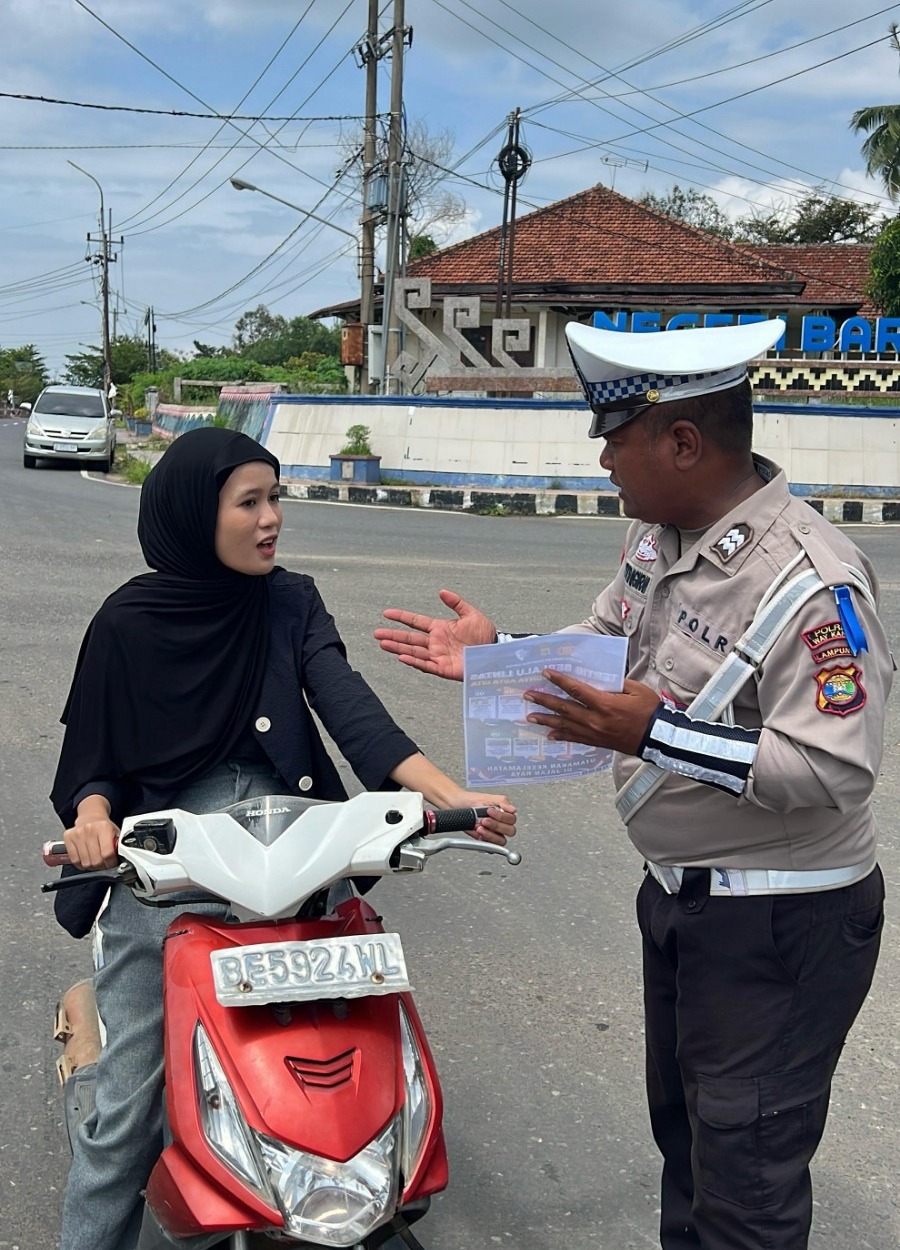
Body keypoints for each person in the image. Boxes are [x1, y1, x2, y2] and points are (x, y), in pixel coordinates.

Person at [374, 318, 892, 1250]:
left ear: (682, 441)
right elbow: (609, 649)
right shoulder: (661, 537)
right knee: (691, 1146)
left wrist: (657, 732)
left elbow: (832, 772)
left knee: (746, 1184)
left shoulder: (813, 584)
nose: (605, 459)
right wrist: (505, 659)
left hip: (778, 924)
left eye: (615, 438)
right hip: (686, 905)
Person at [49, 426, 516, 1250]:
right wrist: (94, 824)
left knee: (367, 1068)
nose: (272, 520)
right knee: (126, 1109)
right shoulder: (127, 621)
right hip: (170, 867)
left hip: (296, 855)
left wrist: (452, 798)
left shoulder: (288, 600)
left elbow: (352, 710)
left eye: (277, 500)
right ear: (199, 514)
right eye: (250, 502)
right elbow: (93, 760)